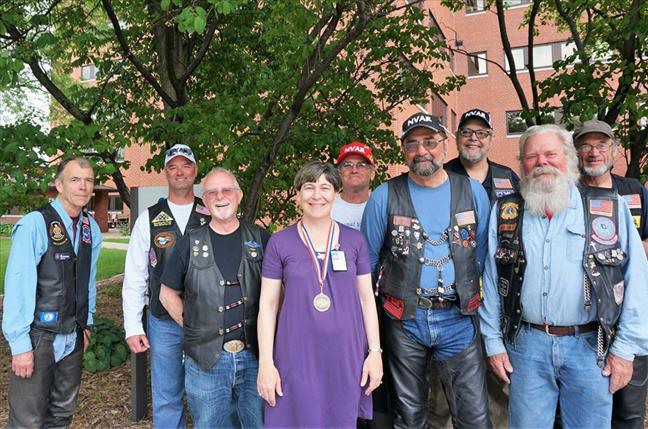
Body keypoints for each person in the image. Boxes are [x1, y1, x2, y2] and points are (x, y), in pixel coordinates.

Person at [480, 124, 648, 428]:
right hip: (526, 347)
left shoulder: (608, 208)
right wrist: (493, 343)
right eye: (531, 156)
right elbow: (492, 282)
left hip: (590, 347)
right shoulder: (506, 212)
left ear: (569, 158)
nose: (541, 162)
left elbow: (638, 281)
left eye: (550, 154)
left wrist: (625, 350)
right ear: (522, 164)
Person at [361, 112, 492, 429]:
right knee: (409, 418)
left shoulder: (472, 192)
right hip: (405, 318)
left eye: (430, 142)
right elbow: (367, 264)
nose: (422, 151)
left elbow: (482, 255)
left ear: (445, 144)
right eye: (412, 144)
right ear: (403, 150)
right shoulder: (384, 196)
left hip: (459, 318)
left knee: (474, 418)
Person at [257, 161, 382, 428]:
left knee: (340, 420)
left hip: (345, 354)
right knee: (296, 419)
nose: (317, 195)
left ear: (336, 193)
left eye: (325, 188)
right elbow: (267, 305)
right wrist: (266, 362)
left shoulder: (354, 240)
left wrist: (375, 353)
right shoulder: (280, 242)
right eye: (309, 187)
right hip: (296, 353)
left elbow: (366, 300)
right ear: (298, 194)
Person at [159, 168, 270, 428]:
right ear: (205, 201)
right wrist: (193, 326)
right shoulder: (189, 242)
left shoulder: (261, 238)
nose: (220, 197)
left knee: (257, 424)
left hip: (256, 357)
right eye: (212, 193)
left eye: (226, 190)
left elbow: (280, 292)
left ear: (239, 195)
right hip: (206, 360)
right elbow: (166, 293)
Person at [2, 157, 102, 428]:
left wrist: (86, 322)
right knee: (27, 420)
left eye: (89, 180)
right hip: (39, 337)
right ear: (59, 185)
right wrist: (20, 345)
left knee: (61, 415)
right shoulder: (36, 224)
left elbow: (88, 280)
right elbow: (18, 285)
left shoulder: (90, 228)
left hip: (73, 335)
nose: (83, 186)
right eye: (75, 180)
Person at [122, 144, 209, 428]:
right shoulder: (149, 218)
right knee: (166, 395)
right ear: (166, 173)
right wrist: (133, 326)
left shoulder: (211, 212)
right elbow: (135, 276)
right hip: (163, 322)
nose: (180, 171)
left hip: (208, 320)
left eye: (186, 165)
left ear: (195, 170)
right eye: (173, 166)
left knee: (209, 394)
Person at [573, 119, 648, 429]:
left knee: (629, 411)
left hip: (629, 316)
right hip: (586, 324)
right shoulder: (567, 195)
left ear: (615, 150)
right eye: (586, 146)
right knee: (581, 409)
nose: (594, 152)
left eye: (602, 145)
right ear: (575, 152)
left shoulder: (633, 190)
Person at [445, 108, 520, 203]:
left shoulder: (508, 176)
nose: (473, 138)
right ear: (457, 138)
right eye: (466, 132)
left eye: (481, 133)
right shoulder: (442, 175)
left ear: (491, 139)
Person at [331, 141, 375, 230]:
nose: (354, 170)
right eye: (347, 165)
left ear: (372, 174)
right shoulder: (326, 206)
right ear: (339, 173)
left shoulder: (380, 207)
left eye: (361, 165)